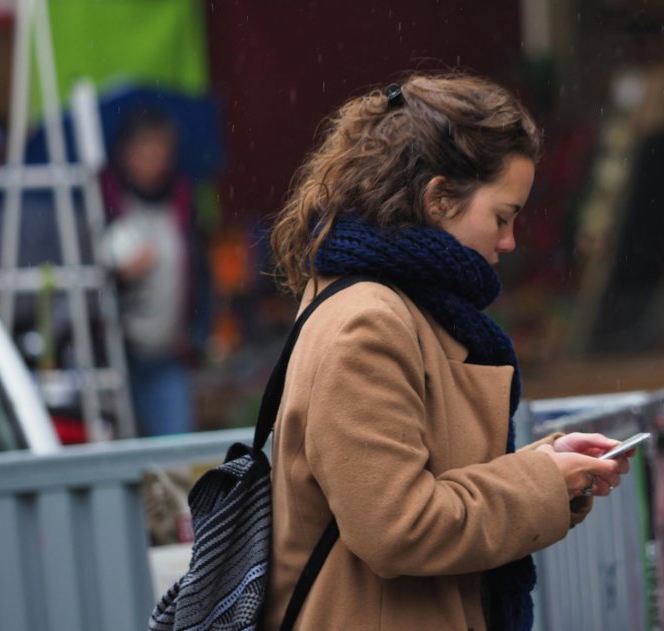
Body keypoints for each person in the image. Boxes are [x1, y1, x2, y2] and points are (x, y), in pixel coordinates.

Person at [263, 73, 637, 631]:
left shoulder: (398, 305)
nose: (508, 242)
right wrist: (542, 484)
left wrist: (546, 465)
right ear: (438, 199)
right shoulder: (369, 321)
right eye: (502, 217)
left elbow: (431, 476)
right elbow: (399, 527)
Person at [102, 109, 210, 436]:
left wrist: (196, 333)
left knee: (176, 447)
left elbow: (202, 275)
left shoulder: (182, 202)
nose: (152, 162)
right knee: (123, 449)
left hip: (167, 354)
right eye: (144, 152)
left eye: (160, 152)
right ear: (125, 155)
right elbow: (82, 283)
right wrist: (115, 278)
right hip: (117, 357)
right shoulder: (101, 202)